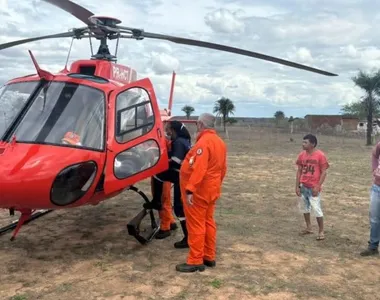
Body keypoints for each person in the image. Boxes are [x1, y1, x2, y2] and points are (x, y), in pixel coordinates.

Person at [175, 113, 227, 273]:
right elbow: (223, 169)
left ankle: (195, 260)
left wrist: (190, 189)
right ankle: (208, 256)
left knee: (196, 224)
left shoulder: (204, 143)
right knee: (208, 222)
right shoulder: (219, 142)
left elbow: (199, 168)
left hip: (199, 191)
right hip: (211, 190)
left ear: (200, 124)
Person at [144, 120, 191, 248]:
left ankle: (188, 238)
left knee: (179, 208)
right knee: (158, 175)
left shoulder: (179, 142)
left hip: (182, 177)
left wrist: (160, 161)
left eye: (169, 129)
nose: (167, 132)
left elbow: (176, 160)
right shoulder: (182, 141)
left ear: (174, 130)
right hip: (181, 176)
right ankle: (157, 202)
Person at [295, 133, 329, 241]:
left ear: (313, 144)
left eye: (306, 142)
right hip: (304, 186)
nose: (303, 144)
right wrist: (297, 186)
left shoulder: (320, 155)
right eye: (303, 142)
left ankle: (321, 231)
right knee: (305, 208)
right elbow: (299, 171)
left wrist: (318, 186)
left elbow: (324, 172)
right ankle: (309, 227)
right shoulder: (302, 155)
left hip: (313, 187)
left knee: (316, 209)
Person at [360, 141, 380, 256]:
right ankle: (373, 246)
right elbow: (374, 155)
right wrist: (374, 169)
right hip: (377, 187)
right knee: (374, 219)